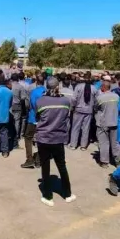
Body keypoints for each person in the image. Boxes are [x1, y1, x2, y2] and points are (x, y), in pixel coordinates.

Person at [34, 77, 76, 207]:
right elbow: (66, 116)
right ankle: (67, 194)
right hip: (58, 138)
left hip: (44, 138)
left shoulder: (40, 101)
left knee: (45, 166)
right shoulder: (65, 101)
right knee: (62, 166)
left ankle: (47, 196)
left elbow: (37, 117)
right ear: (58, 87)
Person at [94, 77, 120, 168]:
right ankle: (118, 161)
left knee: (104, 142)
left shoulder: (100, 98)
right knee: (115, 143)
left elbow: (95, 108)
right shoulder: (116, 96)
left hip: (103, 123)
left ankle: (104, 162)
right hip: (114, 122)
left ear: (103, 88)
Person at [21, 75, 46, 168]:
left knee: (28, 137)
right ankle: (39, 160)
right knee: (41, 139)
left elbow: (30, 105)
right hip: (44, 119)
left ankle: (30, 159)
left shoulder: (34, 92)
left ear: (36, 82)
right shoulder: (46, 91)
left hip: (33, 119)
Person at [69, 71, 97, 150]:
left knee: (75, 127)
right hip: (88, 110)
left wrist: (73, 107)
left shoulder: (78, 86)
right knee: (86, 128)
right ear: (90, 78)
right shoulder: (94, 88)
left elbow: (74, 99)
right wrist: (93, 108)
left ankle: (73, 145)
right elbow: (96, 101)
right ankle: (83, 146)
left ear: (84, 78)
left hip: (78, 109)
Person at [10, 73, 26, 149]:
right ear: (18, 79)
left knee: (10, 121)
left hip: (9, 105)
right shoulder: (20, 87)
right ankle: (16, 137)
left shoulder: (9, 86)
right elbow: (23, 98)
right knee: (17, 122)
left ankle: (10, 135)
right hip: (17, 105)